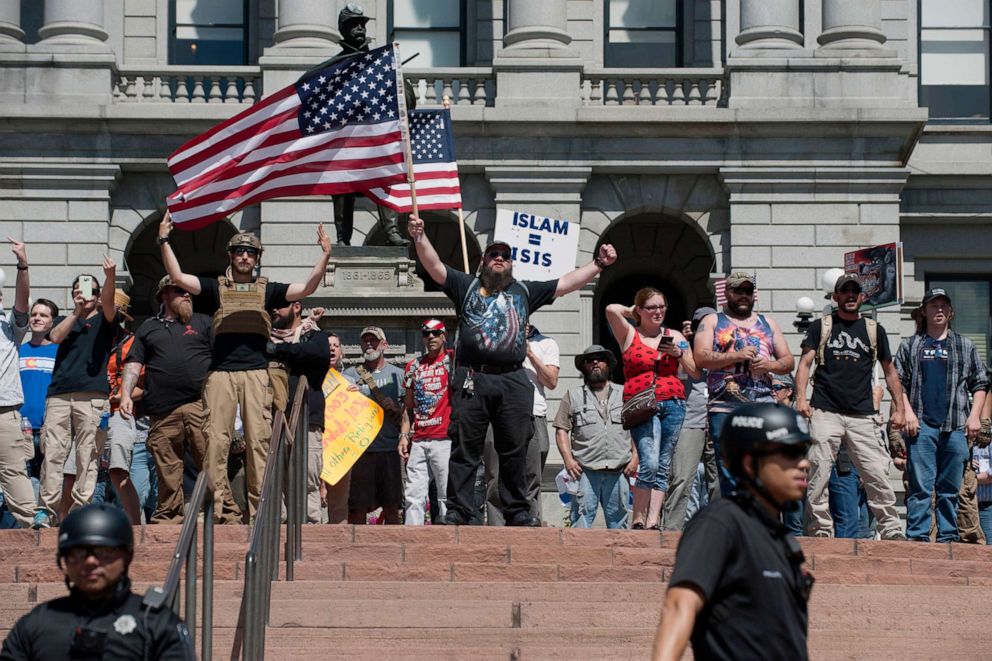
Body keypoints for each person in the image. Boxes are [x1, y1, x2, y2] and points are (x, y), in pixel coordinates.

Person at [407, 215, 618, 526]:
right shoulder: (466, 285)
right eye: (494, 255)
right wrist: (419, 238)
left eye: (505, 256)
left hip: (513, 379)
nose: (500, 260)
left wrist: (598, 264)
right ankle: (459, 510)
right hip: (472, 377)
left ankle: (518, 511)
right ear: (483, 261)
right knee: (465, 449)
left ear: (511, 264)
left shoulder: (524, 291)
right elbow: (435, 266)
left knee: (514, 449)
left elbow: (566, 283)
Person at [158, 210, 331, 521]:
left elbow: (306, 288)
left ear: (257, 258)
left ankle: (260, 512)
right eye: (239, 251)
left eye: (250, 252)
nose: (244, 256)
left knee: (259, 444)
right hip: (221, 374)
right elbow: (179, 278)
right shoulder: (215, 288)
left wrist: (325, 255)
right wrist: (164, 239)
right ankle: (216, 511)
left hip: (255, 373)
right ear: (230, 255)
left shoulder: (269, 289)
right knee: (215, 444)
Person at [652, 403, 814, 661]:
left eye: (803, 452)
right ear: (750, 463)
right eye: (790, 452)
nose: (804, 463)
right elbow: (679, 605)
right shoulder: (719, 522)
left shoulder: (781, 539)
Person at [0, 503, 194, 659]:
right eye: (78, 552)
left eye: (103, 552)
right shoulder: (37, 624)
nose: (91, 561)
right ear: (64, 560)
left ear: (126, 557)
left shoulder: (156, 624)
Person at [120, 276, 241, 524]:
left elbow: (223, 360)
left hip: (200, 404)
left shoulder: (203, 322)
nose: (187, 295)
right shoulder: (148, 328)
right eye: (179, 290)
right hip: (162, 411)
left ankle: (227, 515)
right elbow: (134, 364)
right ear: (164, 295)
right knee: (167, 470)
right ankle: (169, 518)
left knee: (211, 463)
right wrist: (125, 395)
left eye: (188, 291)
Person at [794, 274, 907, 540]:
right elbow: (804, 364)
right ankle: (821, 529)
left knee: (876, 471)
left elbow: (890, 372)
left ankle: (890, 529)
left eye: (855, 291)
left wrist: (900, 408)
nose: (851, 295)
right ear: (836, 297)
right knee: (819, 470)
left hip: (863, 413)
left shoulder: (872, 330)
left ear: (862, 296)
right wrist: (801, 398)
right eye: (845, 291)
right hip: (825, 410)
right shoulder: (821, 327)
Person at [305, 4, 413, 247]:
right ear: (344, 30)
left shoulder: (381, 63)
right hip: (347, 140)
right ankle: (343, 238)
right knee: (343, 185)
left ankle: (392, 230)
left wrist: (394, 86)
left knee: (384, 177)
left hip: (375, 136)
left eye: (362, 25)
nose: (359, 29)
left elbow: (408, 99)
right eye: (354, 25)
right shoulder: (335, 66)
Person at [894, 288, 988, 542]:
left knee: (950, 488)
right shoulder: (910, 345)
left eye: (944, 306)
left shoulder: (965, 345)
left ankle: (948, 538)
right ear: (924, 311)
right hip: (921, 426)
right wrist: (908, 414)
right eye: (933, 306)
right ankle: (917, 537)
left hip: (956, 426)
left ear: (950, 312)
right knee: (920, 487)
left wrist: (975, 416)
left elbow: (980, 383)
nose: (939, 310)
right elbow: (897, 384)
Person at [34, 258, 118, 529]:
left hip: (93, 396)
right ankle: (46, 511)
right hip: (59, 395)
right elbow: (55, 337)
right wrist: (76, 311)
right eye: (79, 291)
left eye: (91, 291)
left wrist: (109, 277)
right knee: (53, 454)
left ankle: (81, 509)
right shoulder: (63, 320)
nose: (85, 295)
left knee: (87, 454)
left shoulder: (106, 320)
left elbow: (107, 303)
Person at [693, 273, 795, 495]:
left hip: (763, 404)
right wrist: (736, 356)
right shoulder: (712, 321)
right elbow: (700, 357)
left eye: (748, 292)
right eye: (738, 291)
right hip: (724, 407)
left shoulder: (767, 323)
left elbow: (788, 361)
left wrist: (768, 365)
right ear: (727, 293)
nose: (743, 296)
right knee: (730, 469)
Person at [606, 287, 698, 530]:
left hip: (673, 402)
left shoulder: (675, 335)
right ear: (640, 310)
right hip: (642, 404)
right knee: (650, 460)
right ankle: (638, 516)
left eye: (661, 306)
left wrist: (679, 353)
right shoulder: (628, 334)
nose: (658, 311)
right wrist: (634, 312)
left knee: (664, 462)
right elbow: (611, 309)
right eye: (652, 307)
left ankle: (653, 520)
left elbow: (695, 371)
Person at [553, 345, 637, 528]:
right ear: (584, 367)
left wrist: (635, 458)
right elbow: (561, 430)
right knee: (579, 525)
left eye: (600, 358)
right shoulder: (572, 396)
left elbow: (637, 428)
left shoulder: (625, 393)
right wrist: (568, 461)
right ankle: (577, 557)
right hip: (585, 472)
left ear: (608, 365)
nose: (595, 362)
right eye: (590, 360)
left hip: (619, 470)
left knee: (619, 526)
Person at [484, 323, 560, 524]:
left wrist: (530, 354)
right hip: (498, 415)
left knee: (531, 477)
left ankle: (529, 530)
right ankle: (497, 532)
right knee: (495, 476)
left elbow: (552, 382)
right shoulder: (496, 341)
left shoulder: (546, 343)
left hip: (534, 412)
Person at [266, 301, 330, 524]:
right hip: (272, 422)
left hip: (307, 421)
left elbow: (318, 353)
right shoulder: (264, 338)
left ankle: (311, 532)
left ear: (296, 307)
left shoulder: (315, 336)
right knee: (274, 480)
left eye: (280, 305)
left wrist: (278, 350)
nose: (274, 309)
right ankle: (279, 535)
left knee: (308, 480)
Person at [342, 327, 405, 524]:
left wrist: (396, 408)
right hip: (361, 451)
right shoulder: (350, 374)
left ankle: (396, 549)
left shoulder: (399, 375)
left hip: (389, 449)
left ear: (384, 345)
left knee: (392, 507)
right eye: (365, 341)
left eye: (374, 341)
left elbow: (407, 414)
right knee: (358, 508)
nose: (369, 344)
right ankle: (356, 550)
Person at [663, 307, 717, 531]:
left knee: (718, 482)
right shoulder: (682, 346)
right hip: (689, 421)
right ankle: (672, 530)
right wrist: (685, 342)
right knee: (683, 478)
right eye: (699, 326)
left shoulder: (724, 347)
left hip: (717, 419)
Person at [399, 319, 454, 525]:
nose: (431, 337)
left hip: (444, 437)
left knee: (446, 493)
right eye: (426, 334)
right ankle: (412, 539)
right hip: (420, 438)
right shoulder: (414, 366)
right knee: (413, 493)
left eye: (435, 333)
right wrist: (404, 436)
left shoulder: (452, 360)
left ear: (444, 336)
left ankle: (450, 538)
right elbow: (408, 407)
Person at [0, 238, 33, 529]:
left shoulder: (10, 325)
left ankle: (33, 531)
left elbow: (22, 301)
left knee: (13, 472)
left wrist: (22, 264)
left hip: (4, 411)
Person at [18, 298, 59, 487]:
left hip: (50, 429)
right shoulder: (17, 350)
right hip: (21, 428)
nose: (37, 318)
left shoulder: (61, 352)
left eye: (43, 315)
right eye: (34, 314)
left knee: (48, 483)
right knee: (21, 484)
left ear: (52, 321)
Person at [321, 332, 351, 523]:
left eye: (336, 345)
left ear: (341, 352)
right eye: (328, 345)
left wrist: (357, 397)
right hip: (317, 444)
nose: (332, 348)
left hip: (341, 450)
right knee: (314, 498)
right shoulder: (310, 378)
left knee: (339, 502)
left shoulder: (351, 381)